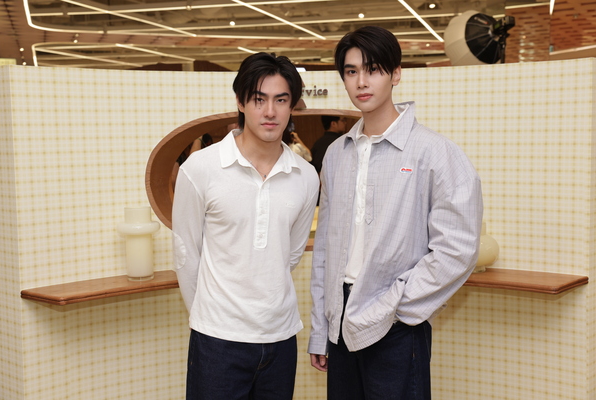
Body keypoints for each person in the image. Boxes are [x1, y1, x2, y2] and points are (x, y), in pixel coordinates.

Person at [308, 26, 483, 400]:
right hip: (339, 318)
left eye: (373, 69)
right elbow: (324, 248)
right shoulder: (337, 154)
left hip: (397, 322)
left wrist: (397, 305)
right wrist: (321, 329)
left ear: (396, 74)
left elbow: (458, 248)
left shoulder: (434, 152)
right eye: (351, 71)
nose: (361, 81)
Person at [172, 52, 319, 400]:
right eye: (259, 99)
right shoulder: (200, 168)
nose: (270, 112)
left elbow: (291, 253)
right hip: (217, 341)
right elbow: (186, 254)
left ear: (292, 106)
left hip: (281, 336)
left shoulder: (306, 176)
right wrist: (212, 318)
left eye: (281, 100)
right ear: (240, 102)